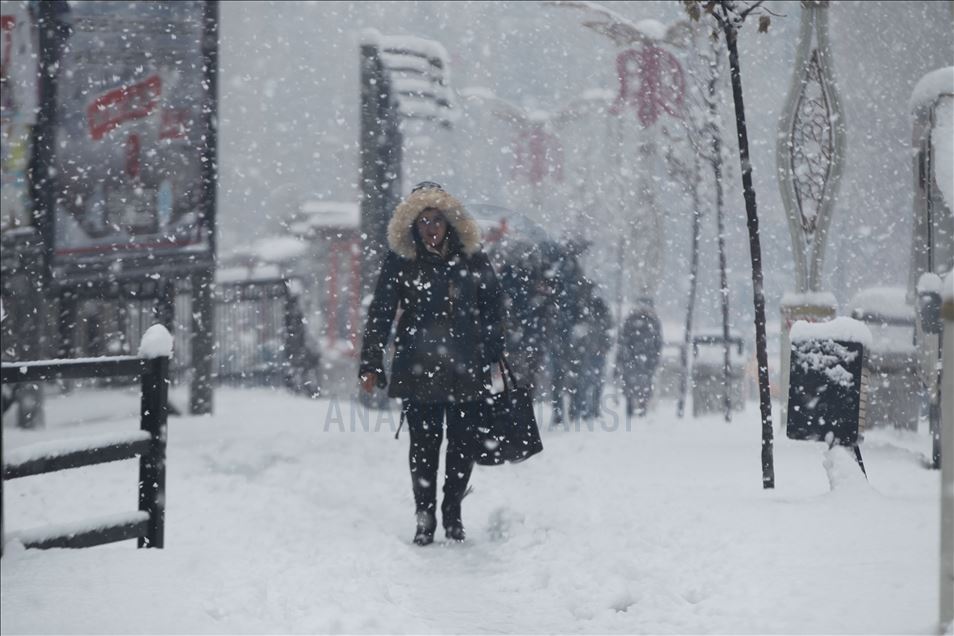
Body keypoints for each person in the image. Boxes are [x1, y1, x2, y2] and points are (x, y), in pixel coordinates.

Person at [358, 182, 505, 546]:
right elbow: (380, 312)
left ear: (449, 222)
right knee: (423, 446)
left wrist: (490, 352)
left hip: (465, 368)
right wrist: (371, 362)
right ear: (413, 224)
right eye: (423, 220)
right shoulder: (401, 260)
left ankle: (451, 510)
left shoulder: (473, 258)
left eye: (437, 219)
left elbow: (493, 308)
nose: (431, 228)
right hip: (417, 367)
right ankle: (425, 515)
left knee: (462, 445)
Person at [615, 300, 663, 417]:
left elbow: (658, 342)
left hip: (645, 359)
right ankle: (632, 406)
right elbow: (623, 340)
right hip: (633, 358)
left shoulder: (652, 321)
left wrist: (653, 357)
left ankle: (641, 407)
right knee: (632, 384)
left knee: (643, 384)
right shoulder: (633, 320)